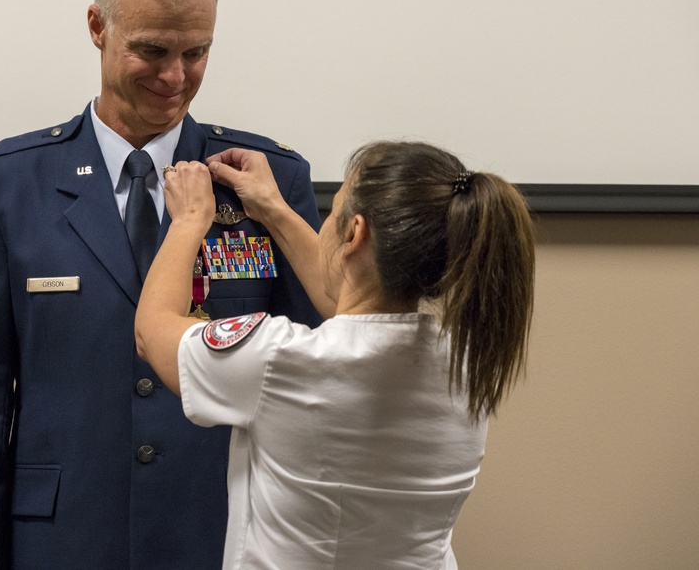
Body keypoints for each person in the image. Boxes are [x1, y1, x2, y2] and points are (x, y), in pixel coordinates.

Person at [0, 0, 321, 570]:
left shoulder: (267, 183)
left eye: (197, 53)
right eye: (152, 51)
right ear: (97, 27)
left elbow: (320, 382)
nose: (175, 77)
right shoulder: (6, 186)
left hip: (224, 537)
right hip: (63, 540)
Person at [135, 141, 536, 569]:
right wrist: (272, 208)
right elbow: (352, 306)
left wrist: (189, 220)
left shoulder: (280, 360)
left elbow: (153, 331)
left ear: (353, 233)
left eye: (332, 211)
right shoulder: (466, 362)